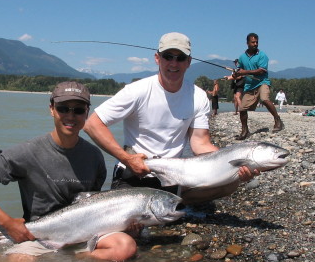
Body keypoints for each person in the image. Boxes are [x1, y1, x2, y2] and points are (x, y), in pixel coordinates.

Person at [0, 81, 137, 262]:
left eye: (78, 110)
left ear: (86, 113)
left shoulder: (95, 156)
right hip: (39, 236)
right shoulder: (26, 152)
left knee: (125, 248)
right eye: (63, 108)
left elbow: (94, 203)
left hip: (86, 231)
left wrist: (125, 223)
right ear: (52, 109)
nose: (70, 116)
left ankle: (74, 261)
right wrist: (6, 223)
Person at [84, 32, 257, 194]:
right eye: (168, 57)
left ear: (188, 62)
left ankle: (171, 205)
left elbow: (200, 144)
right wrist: (127, 159)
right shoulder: (136, 91)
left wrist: (234, 165)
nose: (174, 64)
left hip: (174, 176)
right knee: (132, 225)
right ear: (157, 58)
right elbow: (93, 124)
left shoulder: (198, 96)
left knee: (231, 183)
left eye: (180, 58)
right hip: (133, 173)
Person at [233, 33, 284, 140]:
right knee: (242, 108)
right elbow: (239, 69)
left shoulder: (262, 55)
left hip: (262, 82)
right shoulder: (242, 57)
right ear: (247, 43)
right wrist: (236, 73)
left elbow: (261, 71)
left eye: (256, 42)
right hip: (250, 85)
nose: (255, 44)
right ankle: (245, 131)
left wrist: (245, 72)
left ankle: (277, 120)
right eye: (253, 42)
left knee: (264, 99)